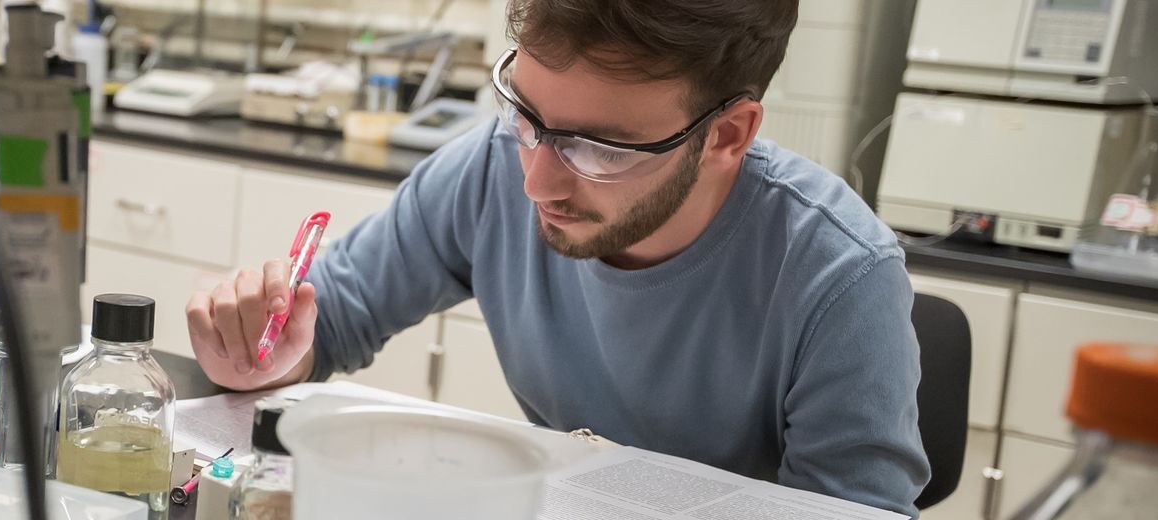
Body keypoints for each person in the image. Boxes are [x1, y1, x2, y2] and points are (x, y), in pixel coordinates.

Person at [182, 0, 930, 514]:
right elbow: (331, 322)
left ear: (729, 135)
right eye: (526, 113)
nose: (536, 179)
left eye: (597, 147)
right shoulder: (485, 171)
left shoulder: (839, 278)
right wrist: (257, 348)